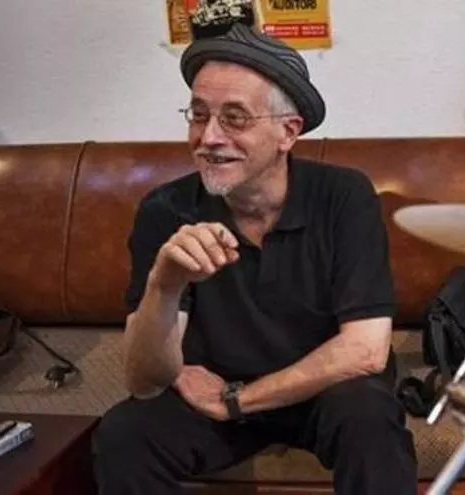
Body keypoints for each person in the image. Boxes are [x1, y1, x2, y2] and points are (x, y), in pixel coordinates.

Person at [91, 24, 417, 495]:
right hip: (214, 391)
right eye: (198, 115)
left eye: (235, 118)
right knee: (124, 435)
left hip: (322, 389)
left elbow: (365, 351)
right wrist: (164, 285)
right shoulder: (167, 210)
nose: (209, 137)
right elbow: (144, 381)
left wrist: (238, 399)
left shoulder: (344, 196)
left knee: (371, 420)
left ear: (288, 132)